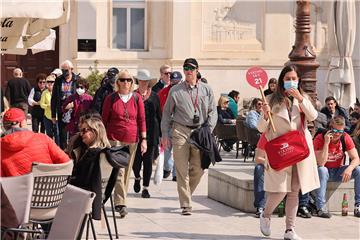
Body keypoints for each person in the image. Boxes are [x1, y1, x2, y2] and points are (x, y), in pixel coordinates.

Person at [257, 65, 319, 239]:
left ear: (298, 80)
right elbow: (261, 128)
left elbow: (313, 116)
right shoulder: (269, 99)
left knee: (294, 190)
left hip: (299, 149)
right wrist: (264, 115)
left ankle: (290, 229)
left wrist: (300, 99)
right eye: (287, 78)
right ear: (281, 80)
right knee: (280, 190)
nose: (291, 81)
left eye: (294, 78)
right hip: (280, 150)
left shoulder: (303, 98)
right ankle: (266, 215)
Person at [161, 58, 217, 215]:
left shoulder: (206, 89)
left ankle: (186, 195)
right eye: (186, 68)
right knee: (181, 169)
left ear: (197, 70)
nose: (188, 71)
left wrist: (209, 129)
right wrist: (165, 134)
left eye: (191, 68)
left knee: (199, 168)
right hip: (180, 131)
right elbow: (166, 114)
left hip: (199, 132)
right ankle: (186, 204)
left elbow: (213, 111)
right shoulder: (175, 90)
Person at [102, 70, 146, 218]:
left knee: (126, 173)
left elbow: (141, 119)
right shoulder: (111, 98)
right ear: (117, 82)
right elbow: (104, 119)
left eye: (129, 80)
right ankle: (120, 203)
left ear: (132, 82)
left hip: (132, 138)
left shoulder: (137, 98)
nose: (126, 83)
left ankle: (121, 200)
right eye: (123, 80)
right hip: (114, 138)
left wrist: (144, 139)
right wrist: (103, 139)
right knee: (119, 171)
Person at [67, 113, 117, 220]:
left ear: (95, 132)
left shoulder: (92, 154)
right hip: (98, 197)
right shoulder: (107, 153)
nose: (81, 134)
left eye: (84, 131)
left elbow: (81, 179)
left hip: (83, 197)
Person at [314, 116, 360, 218]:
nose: (337, 134)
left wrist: (349, 168)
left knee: (358, 170)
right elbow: (321, 163)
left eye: (340, 131)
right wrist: (326, 143)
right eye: (334, 130)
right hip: (323, 172)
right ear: (330, 128)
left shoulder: (345, 137)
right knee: (322, 170)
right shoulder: (320, 138)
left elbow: (356, 158)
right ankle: (321, 208)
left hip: (338, 171)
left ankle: (358, 205)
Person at [1, 108, 69, 177]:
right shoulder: (43, 138)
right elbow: (66, 162)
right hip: (50, 186)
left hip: (16, 187)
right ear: (22, 123)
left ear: (4, 127)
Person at [132, 69, 161, 198]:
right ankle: (137, 177)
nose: (143, 83)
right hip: (136, 134)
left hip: (152, 133)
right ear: (138, 81)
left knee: (148, 161)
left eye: (145, 81)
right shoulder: (133, 95)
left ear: (149, 82)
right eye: (141, 81)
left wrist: (161, 134)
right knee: (136, 162)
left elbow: (159, 115)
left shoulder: (155, 96)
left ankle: (146, 187)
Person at [158, 71, 182, 181]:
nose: (175, 84)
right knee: (167, 150)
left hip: (179, 125)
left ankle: (176, 174)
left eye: (177, 82)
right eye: (173, 82)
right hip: (167, 124)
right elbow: (159, 109)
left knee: (178, 150)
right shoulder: (163, 92)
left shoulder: (185, 92)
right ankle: (167, 167)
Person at [51, 60, 79, 149]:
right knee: (62, 134)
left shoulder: (77, 80)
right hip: (62, 111)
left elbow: (82, 95)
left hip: (74, 111)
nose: (64, 72)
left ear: (72, 69)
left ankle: (73, 151)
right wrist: (53, 115)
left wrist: (74, 104)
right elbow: (54, 98)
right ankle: (64, 152)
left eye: (66, 70)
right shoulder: (58, 80)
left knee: (73, 134)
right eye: (62, 70)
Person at [40, 75, 59, 145]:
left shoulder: (58, 91)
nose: (50, 83)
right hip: (48, 117)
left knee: (57, 134)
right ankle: (50, 147)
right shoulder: (45, 92)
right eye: (48, 82)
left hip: (57, 117)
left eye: (52, 82)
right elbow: (42, 104)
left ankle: (58, 148)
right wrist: (48, 106)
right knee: (49, 134)